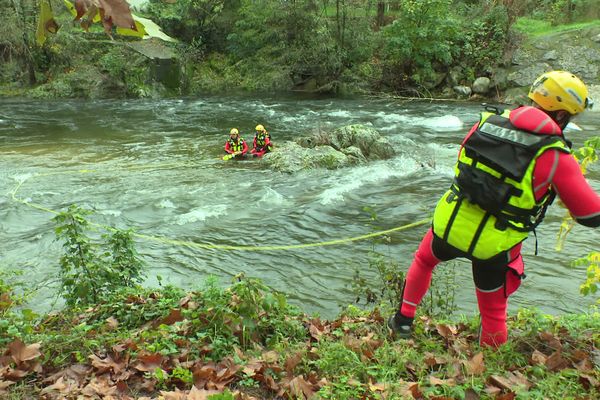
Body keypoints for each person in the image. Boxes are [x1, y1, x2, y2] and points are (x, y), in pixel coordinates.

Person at [388, 71, 600, 347]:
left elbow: (463, 167)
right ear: (561, 115)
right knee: (493, 313)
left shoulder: (485, 124)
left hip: (451, 224)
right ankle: (486, 366)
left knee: (424, 261)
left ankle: (403, 321)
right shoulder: (554, 154)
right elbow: (590, 216)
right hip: (495, 244)